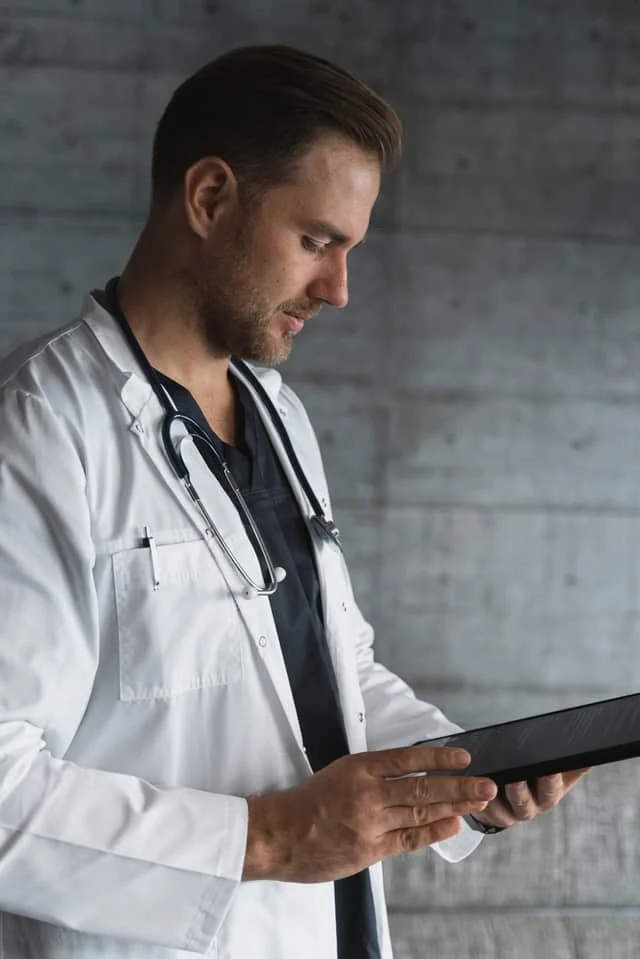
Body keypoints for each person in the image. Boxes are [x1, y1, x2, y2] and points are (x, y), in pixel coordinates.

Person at [0, 45, 586, 959]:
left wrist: (464, 770)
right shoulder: (41, 427)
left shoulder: (277, 415)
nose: (339, 290)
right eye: (316, 241)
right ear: (208, 197)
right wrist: (269, 838)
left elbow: (328, 665)